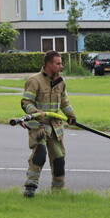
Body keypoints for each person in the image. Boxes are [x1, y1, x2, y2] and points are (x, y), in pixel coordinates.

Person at [20, 50, 76, 198]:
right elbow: (26, 102)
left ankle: (57, 192)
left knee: (59, 159)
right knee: (40, 154)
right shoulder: (34, 81)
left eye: (60, 63)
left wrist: (71, 116)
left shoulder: (60, 82)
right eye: (58, 63)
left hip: (55, 127)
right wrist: (37, 111)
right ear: (48, 64)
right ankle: (30, 187)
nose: (61, 66)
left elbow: (64, 102)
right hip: (38, 126)